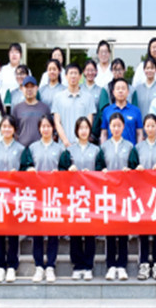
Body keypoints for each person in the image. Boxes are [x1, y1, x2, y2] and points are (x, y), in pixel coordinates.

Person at [20, 114, 65, 283]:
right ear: (39, 129)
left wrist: (60, 172)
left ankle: (51, 265)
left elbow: (66, 168)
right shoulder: (32, 148)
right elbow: (24, 167)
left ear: (53, 128)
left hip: (54, 196)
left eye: (48, 126)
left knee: (53, 231)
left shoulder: (60, 149)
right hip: (37, 196)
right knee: (37, 231)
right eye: (43, 126)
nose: (46, 129)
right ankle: (39, 265)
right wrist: (29, 169)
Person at [59, 116, 100, 281]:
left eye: (86, 128)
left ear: (90, 130)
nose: (83, 131)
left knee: (90, 232)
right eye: (81, 128)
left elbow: (101, 169)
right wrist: (68, 170)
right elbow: (61, 170)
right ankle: (77, 265)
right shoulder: (69, 151)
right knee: (75, 231)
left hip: (91, 196)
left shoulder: (96, 150)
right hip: (74, 196)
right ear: (76, 131)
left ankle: (88, 265)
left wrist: (94, 174)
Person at [96, 112, 135, 281]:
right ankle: (111, 265)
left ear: (123, 127)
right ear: (109, 127)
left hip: (124, 194)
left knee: (123, 231)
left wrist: (130, 170)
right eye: (113, 126)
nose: (116, 128)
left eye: (119, 125)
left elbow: (135, 166)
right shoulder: (104, 147)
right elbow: (98, 166)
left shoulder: (130, 146)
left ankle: (122, 265)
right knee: (110, 230)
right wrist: (102, 170)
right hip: (109, 194)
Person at [0, 115, 25, 284]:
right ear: (0, 129)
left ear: (14, 129)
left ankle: (12, 266)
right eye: (4, 126)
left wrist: (20, 173)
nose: (6, 129)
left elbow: (27, 169)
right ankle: (0, 266)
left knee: (13, 231)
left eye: (9, 127)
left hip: (14, 196)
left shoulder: (21, 149)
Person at [131, 114, 156, 281]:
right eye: (148, 126)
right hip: (143, 194)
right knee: (144, 229)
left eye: (153, 125)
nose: (150, 129)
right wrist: (136, 169)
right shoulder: (138, 148)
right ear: (144, 128)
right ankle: (144, 263)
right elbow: (130, 168)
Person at [52, 63, 96, 147]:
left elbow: (89, 122)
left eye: (75, 73)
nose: (73, 76)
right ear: (66, 76)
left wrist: (80, 141)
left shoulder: (88, 97)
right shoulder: (58, 97)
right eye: (71, 73)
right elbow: (57, 122)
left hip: (82, 145)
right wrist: (66, 142)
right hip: (63, 146)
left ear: (80, 76)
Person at [100, 78, 143, 145]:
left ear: (128, 92)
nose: (120, 91)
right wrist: (103, 148)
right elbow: (104, 134)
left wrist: (138, 149)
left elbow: (139, 134)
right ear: (113, 92)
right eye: (118, 89)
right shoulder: (107, 110)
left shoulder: (136, 111)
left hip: (130, 149)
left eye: (123, 88)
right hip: (111, 149)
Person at [93, 58, 127, 140]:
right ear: (111, 71)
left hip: (127, 129)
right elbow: (103, 113)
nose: (117, 72)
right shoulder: (106, 89)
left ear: (124, 70)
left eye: (120, 69)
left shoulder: (131, 90)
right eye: (115, 70)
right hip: (110, 129)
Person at [13, 76, 50, 146]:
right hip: (22, 148)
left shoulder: (45, 108)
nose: (29, 89)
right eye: (26, 87)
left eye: (32, 86)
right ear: (22, 89)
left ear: (37, 88)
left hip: (41, 148)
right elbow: (13, 130)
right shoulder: (17, 108)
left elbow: (50, 128)